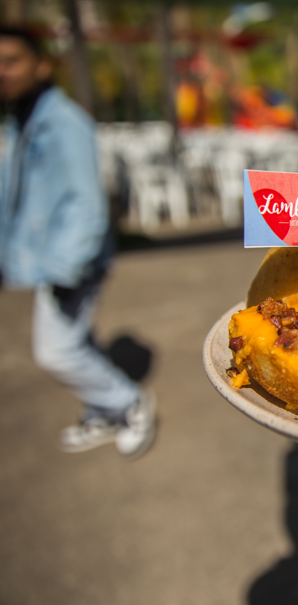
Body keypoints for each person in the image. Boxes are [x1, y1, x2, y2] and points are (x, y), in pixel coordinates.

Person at [0, 27, 156, 459]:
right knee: (75, 340)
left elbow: (88, 202)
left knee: (56, 351)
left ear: (42, 64)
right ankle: (104, 409)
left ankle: (129, 403)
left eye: (11, 60)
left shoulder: (63, 121)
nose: (3, 71)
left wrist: (67, 266)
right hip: (50, 258)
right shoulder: (24, 116)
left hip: (71, 262)